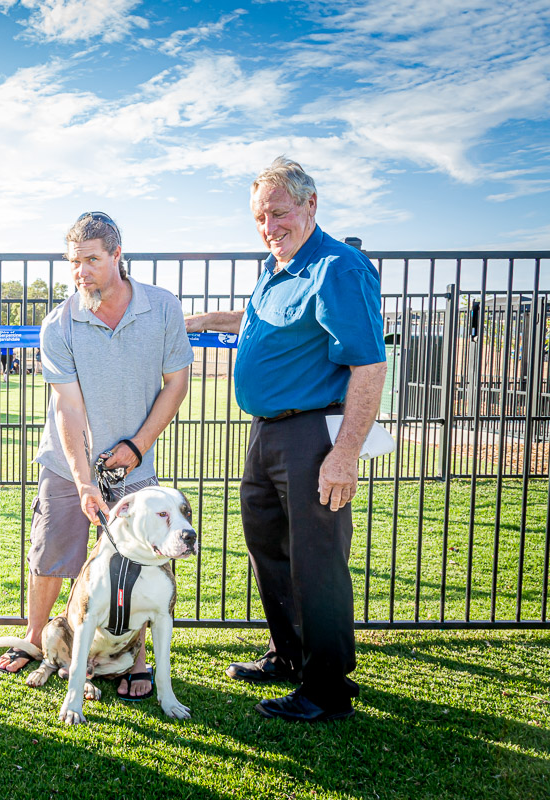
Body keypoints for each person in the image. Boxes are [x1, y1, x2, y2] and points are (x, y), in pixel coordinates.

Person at [185, 157, 386, 722]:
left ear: (310, 205)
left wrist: (344, 454)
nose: (269, 225)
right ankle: (288, 654)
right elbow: (256, 320)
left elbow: (369, 366)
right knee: (268, 547)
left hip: (312, 434)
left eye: (279, 212)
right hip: (267, 432)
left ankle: (326, 688)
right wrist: (200, 322)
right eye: (259, 217)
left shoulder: (338, 268)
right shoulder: (277, 268)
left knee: (316, 559)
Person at [0, 211, 193, 701]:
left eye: (91, 259)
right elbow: (67, 405)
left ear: (117, 256)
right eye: (73, 262)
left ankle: (137, 662)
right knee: (50, 554)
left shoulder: (163, 308)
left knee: (144, 560)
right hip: (67, 463)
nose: (81, 271)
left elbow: (177, 384)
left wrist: (136, 447)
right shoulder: (59, 323)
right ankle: (38, 639)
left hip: (136, 467)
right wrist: (85, 481)